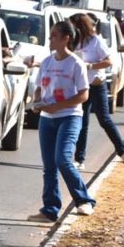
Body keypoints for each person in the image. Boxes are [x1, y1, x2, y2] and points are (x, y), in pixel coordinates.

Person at [33, 20, 95, 221]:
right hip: (47, 119)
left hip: (69, 117)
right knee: (49, 165)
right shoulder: (47, 62)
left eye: (53, 36)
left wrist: (57, 107)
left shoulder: (76, 63)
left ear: (65, 39)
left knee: (63, 159)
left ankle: (84, 200)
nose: (50, 40)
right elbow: (38, 87)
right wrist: (37, 102)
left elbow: (83, 95)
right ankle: (50, 209)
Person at [70, 13, 124, 169]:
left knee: (104, 120)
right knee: (82, 123)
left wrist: (90, 66)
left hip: (97, 86)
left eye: (73, 25)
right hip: (81, 86)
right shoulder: (74, 42)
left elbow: (108, 61)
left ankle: (122, 151)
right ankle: (79, 159)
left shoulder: (96, 41)